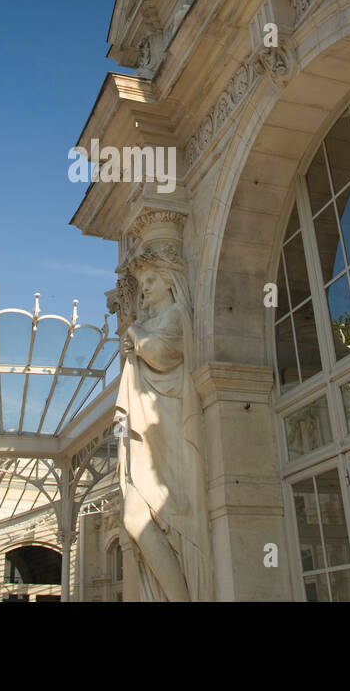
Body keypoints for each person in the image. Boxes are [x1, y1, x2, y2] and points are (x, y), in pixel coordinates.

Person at [116, 248, 214, 600]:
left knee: (145, 515)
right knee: (132, 515)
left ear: (171, 281)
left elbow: (161, 355)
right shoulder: (152, 322)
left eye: (151, 280)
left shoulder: (176, 314)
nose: (144, 287)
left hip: (168, 424)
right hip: (150, 426)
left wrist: (135, 332)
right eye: (141, 281)